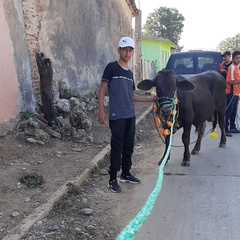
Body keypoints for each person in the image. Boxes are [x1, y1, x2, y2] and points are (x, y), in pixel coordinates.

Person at [98, 36, 156, 193]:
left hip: (130, 115)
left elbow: (131, 96)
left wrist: (148, 99)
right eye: (125, 49)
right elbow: (103, 89)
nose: (128, 53)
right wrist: (101, 111)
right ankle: (112, 179)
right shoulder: (111, 68)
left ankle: (125, 173)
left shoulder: (130, 74)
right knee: (117, 147)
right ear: (119, 50)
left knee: (129, 146)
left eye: (130, 50)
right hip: (117, 116)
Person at [225, 50, 240, 137]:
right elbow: (229, 81)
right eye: (237, 58)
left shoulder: (237, 67)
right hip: (231, 93)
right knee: (228, 111)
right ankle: (225, 129)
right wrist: (239, 81)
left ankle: (233, 127)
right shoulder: (232, 67)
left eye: (239, 58)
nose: (238, 60)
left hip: (236, 93)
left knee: (234, 111)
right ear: (233, 59)